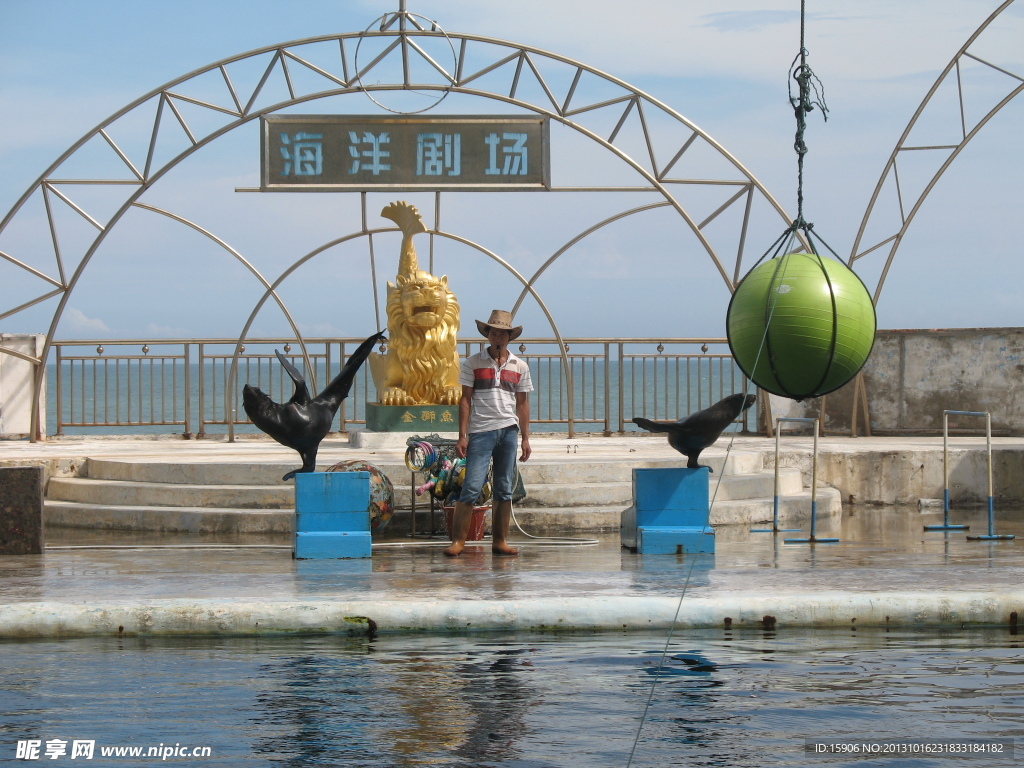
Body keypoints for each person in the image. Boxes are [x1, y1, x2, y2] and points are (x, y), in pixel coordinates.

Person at [444, 309, 533, 557]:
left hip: (508, 431)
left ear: (509, 337)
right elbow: (465, 401)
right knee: (471, 486)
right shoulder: (473, 362)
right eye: (494, 332)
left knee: (504, 487)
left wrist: (525, 438)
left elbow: (523, 403)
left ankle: (500, 541)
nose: (498, 337)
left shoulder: (520, 365)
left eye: (503, 333)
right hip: (481, 431)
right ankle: (459, 541)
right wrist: (462, 435)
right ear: (488, 334)